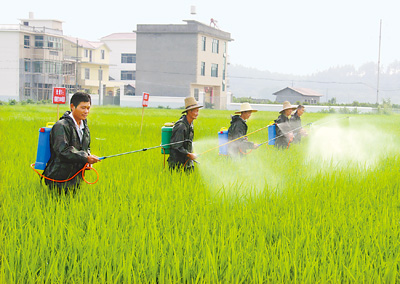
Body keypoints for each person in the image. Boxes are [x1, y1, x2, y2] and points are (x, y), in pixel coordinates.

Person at [43, 92, 100, 193]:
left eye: (88, 108)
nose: (86, 111)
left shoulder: (84, 126)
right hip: (59, 179)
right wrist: (85, 157)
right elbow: (63, 151)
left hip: (76, 178)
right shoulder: (61, 126)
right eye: (83, 108)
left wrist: (88, 157)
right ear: (72, 107)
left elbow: (86, 147)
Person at [168, 96, 203, 171]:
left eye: (198, 111)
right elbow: (176, 146)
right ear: (190, 111)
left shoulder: (190, 124)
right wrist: (189, 154)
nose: (197, 114)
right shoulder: (181, 126)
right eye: (196, 111)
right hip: (177, 165)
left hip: (187, 164)